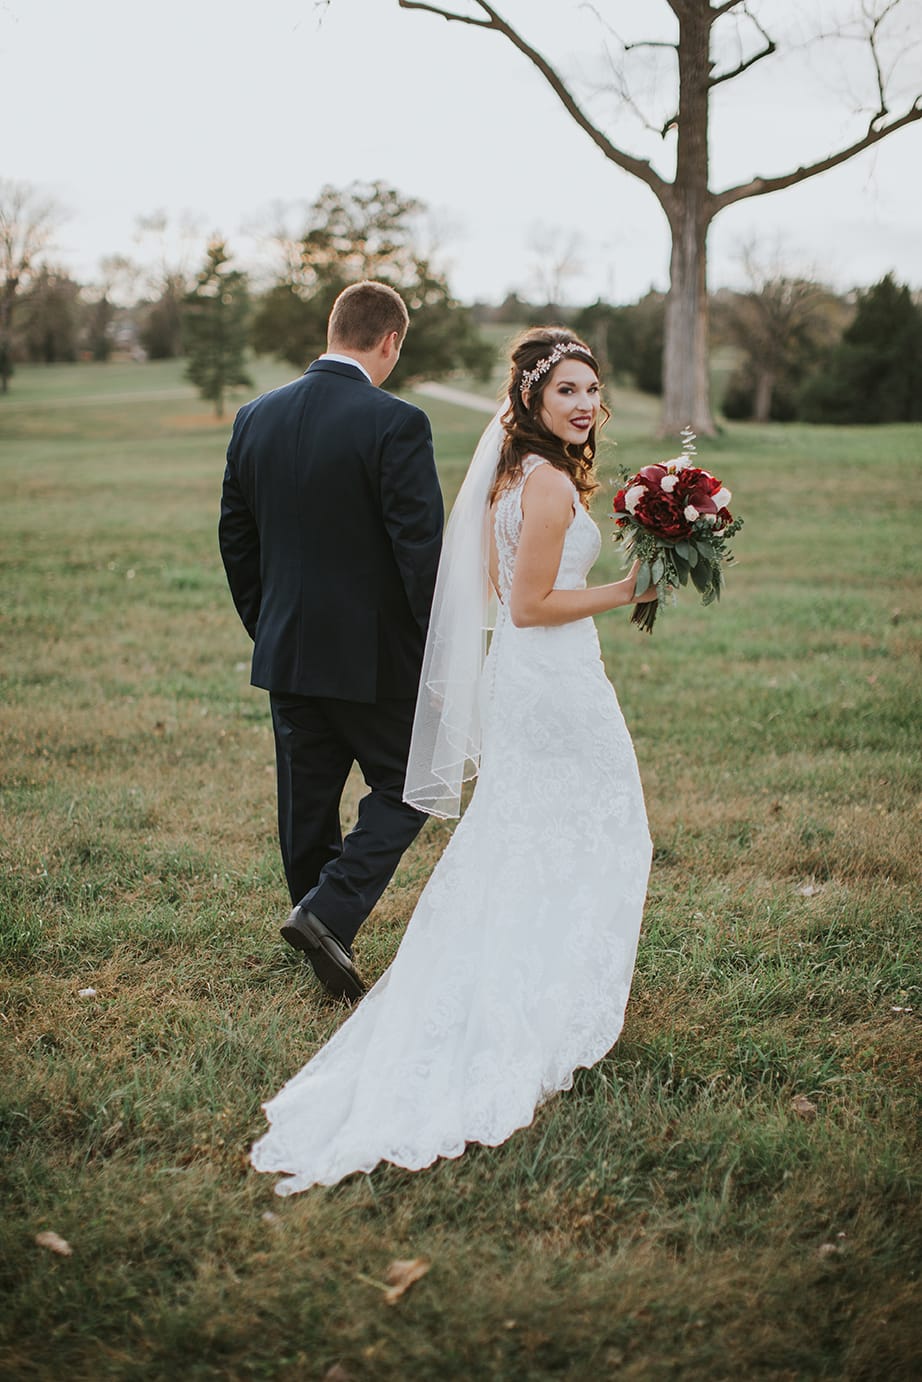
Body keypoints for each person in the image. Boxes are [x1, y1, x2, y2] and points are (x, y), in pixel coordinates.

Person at [250, 327, 656, 1193]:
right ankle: (550, 990)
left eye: (592, 390)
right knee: (604, 826)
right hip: (552, 684)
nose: (584, 404)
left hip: (526, 683)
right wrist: (630, 588)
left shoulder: (510, 474)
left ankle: (510, 964)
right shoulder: (543, 484)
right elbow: (532, 603)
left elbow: (496, 587)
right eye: (567, 392)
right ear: (534, 403)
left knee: (523, 833)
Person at [219, 281, 444, 1000]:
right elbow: (420, 553)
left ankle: (320, 927)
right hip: (376, 659)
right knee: (412, 785)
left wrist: (270, 623)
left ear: (333, 329)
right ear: (390, 342)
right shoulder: (397, 422)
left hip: (287, 649)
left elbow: (236, 538)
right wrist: (434, 648)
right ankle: (326, 913)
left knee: (306, 804)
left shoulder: (255, 416)